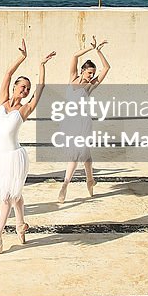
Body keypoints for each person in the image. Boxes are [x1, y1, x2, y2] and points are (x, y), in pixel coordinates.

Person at [0, 39, 56, 254]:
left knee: (7, 197)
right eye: (22, 86)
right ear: (15, 86)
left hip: (15, 157)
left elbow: (41, 88)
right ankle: (20, 225)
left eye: (27, 88)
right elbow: (7, 73)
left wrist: (42, 66)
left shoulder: (25, 110)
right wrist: (22, 57)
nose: (25, 90)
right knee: (15, 195)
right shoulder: (1, 101)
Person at [57, 37, 110, 203]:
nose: (91, 76)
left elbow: (107, 68)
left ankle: (70, 183)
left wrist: (99, 51)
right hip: (71, 122)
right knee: (81, 154)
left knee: (80, 153)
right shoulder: (73, 77)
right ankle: (87, 180)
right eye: (89, 73)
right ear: (82, 71)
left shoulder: (90, 86)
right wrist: (89, 47)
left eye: (92, 74)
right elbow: (74, 56)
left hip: (83, 122)